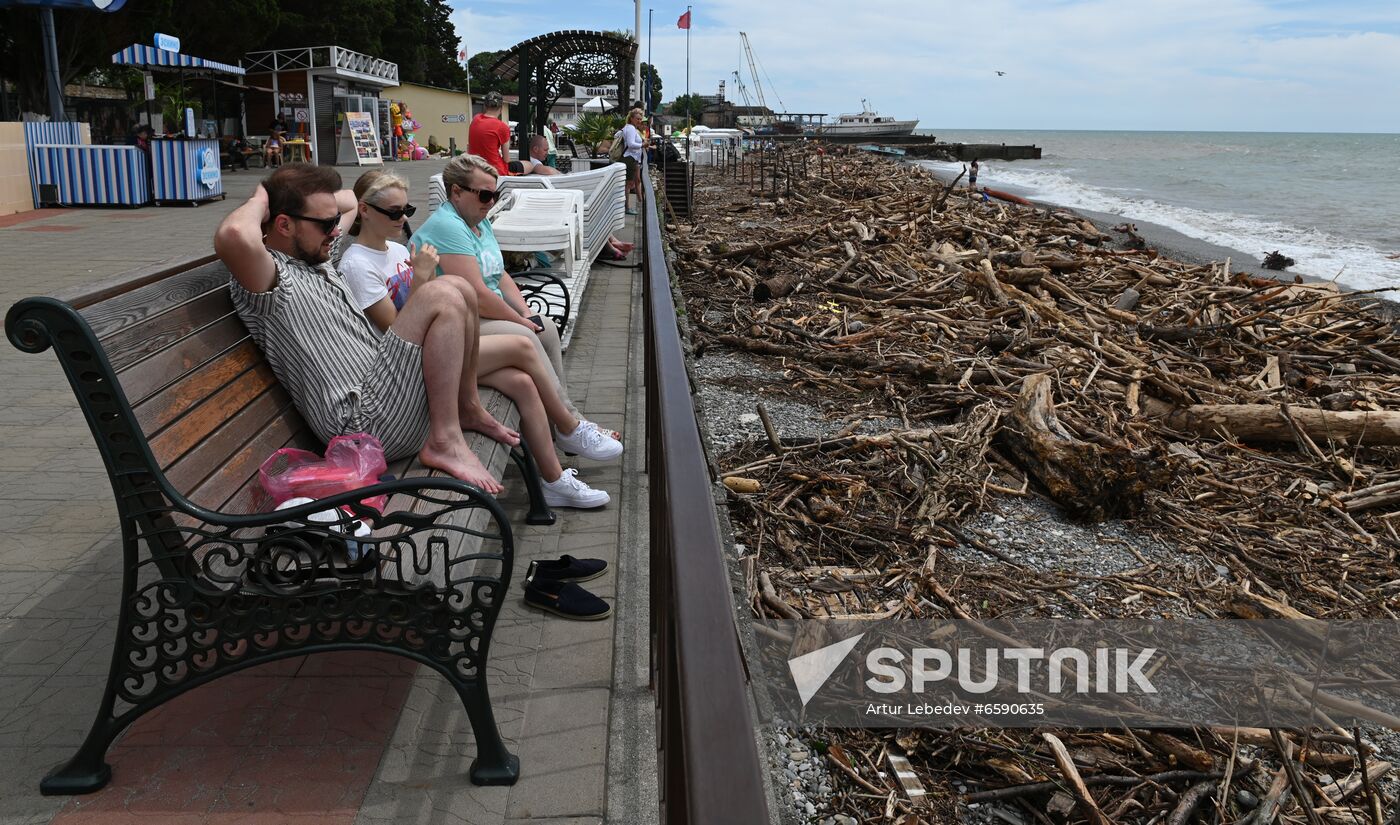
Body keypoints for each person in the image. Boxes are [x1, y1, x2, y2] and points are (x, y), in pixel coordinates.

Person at [213, 163, 517, 494]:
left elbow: (346, 201)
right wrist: (262, 196)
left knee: (459, 287)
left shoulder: (316, 257)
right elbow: (233, 236)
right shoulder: (271, 280)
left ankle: (468, 407)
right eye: (327, 224)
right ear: (284, 224)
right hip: (361, 427)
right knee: (442, 292)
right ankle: (446, 440)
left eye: (334, 223)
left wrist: (299, 198)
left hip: (386, 398)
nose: (336, 231)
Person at [336, 170, 615, 507]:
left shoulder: (395, 251)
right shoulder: (356, 264)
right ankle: (570, 427)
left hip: (441, 351)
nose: (402, 219)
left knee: (524, 383)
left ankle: (552, 480)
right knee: (524, 344)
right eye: (393, 212)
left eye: (407, 211)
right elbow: (399, 333)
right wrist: (422, 278)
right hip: (409, 367)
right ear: (365, 211)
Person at [412, 154, 624, 449]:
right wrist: (519, 320)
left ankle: (568, 421)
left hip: (478, 319)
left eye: (495, 194)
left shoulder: (477, 220)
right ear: (456, 192)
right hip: (457, 326)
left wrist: (526, 310)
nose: (490, 201)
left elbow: (497, 275)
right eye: (484, 194)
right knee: (527, 335)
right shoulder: (448, 227)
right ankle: (568, 426)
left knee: (545, 327)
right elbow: (477, 294)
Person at [469, 91, 511, 177]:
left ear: (485, 106)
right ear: (501, 108)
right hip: (495, 170)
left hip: (474, 168)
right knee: (528, 165)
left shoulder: (475, 119)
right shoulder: (502, 127)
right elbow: (506, 159)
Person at [619, 107, 646, 215]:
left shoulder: (630, 128)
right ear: (631, 118)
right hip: (629, 158)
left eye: (640, 119)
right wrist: (642, 145)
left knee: (629, 184)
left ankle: (627, 207)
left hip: (632, 159)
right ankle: (627, 207)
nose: (639, 121)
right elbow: (631, 144)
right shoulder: (630, 128)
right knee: (628, 184)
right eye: (637, 119)